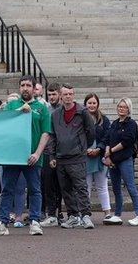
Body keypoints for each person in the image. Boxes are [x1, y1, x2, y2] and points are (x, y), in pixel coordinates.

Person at [0, 76, 52, 236]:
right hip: (13, 156)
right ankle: (2, 222)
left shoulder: (42, 108)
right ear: (19, 88)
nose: (25, 88)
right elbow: (2, 124)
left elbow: (46, 133)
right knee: (7, 189)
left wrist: (38, 153)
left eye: (28, 85)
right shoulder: (11, 105)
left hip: (32, 156)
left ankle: (35, 222)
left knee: (35, 190)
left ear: (34, 88)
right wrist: (19, 111)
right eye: (22, 85)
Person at [47, 84, 95, 229]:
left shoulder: (82, 112)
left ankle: (86, 216)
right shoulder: (55, 115)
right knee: (65, 189)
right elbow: (52, 136)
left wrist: (82, 147)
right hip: (61, 158)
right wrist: (52, 156)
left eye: (71, 94)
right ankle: (73, 216)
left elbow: (91, 132)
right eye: (65, 94)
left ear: (73, 95)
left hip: (77, 157)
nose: (68, 96)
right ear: (61, 96)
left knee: (81, 187)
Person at [103, 98, 138, 226]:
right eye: (120, 106)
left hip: (125, 159)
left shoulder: (131, 124)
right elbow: (108, 138)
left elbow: (127, 141)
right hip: (114, 161)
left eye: (124, 107)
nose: (121, 109)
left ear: (128, 109)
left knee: (130, 187)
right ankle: (117, 214)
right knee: (115, 188)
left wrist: (112, 151)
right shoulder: (114, 123)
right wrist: (108, 153)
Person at [84, 93, 112, 223]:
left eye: (94, 103)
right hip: (85, 156)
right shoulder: (80, 118)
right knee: (86, 186)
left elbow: (107, 136)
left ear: (98, 104)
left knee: (102, 185)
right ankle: (85, 213)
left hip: (99, 156)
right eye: (89, 103)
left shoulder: (104, 120)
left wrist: (99, 149)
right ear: (85, 104)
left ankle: (107, 212)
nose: (92, 105)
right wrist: (86, 149)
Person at [40, 82, 64, 227]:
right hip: (47, 152)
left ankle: (59, 211)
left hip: (62, 153)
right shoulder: (45, 110)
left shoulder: (63, 110)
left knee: (61, 185)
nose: (52, 97)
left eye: (54, 94)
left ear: (60, 94)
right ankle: (50, 213)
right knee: (47, 184)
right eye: (49, 95)